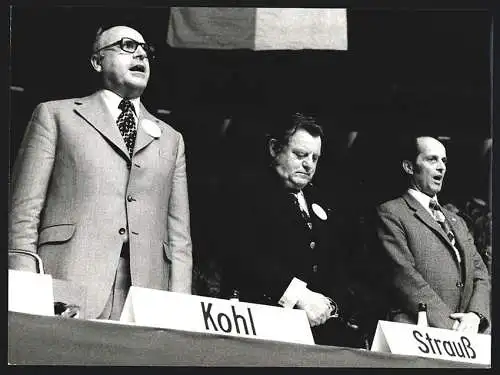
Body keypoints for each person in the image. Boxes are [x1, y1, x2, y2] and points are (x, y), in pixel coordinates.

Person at [8, 25, 193, 320]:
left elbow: (179, 234)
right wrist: (24, 283)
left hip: (145, 295)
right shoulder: (55, 116)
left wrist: (179, 305)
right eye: (127, 46)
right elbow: (24, 210)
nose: (142, 54)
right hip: (67, 281)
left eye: (146, 50)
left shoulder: (171, 138)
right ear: (97, 61)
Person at [221, 112, 364, 347]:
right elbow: (244, 256)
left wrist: (331, 304)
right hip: (260, 327)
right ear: (275, 149)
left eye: (315, 158)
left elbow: (339, 261)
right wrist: (300, 297)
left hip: (317, 333)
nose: (308, 164)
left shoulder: (321, 200)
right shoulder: (247, 192)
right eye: (300, 155)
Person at [374, 136, 491, 333]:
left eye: (444, 161)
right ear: (409, 167)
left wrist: (475, 316)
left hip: (467, 337)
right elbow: (404, 276)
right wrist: (451, 326)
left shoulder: (457, 221)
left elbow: (480, 273)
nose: (441, 167)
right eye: (432, 159)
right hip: (419, 333)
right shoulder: (391, 212)